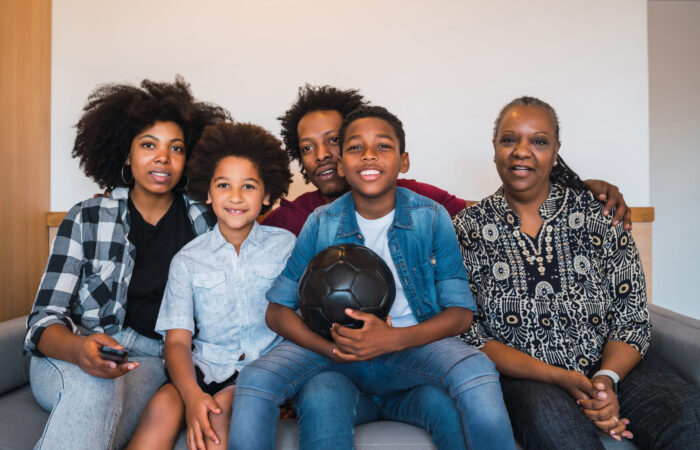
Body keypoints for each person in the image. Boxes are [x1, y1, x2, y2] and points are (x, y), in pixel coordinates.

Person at [230, 105, 516, 450]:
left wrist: (393, 339)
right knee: (255, 380)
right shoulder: (321, 222)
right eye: (355, 147)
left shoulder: (430, 216)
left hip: (411, 347)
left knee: (477, 370)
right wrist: (331, 348)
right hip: (337, 353)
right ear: (341, 164)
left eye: (382, 146)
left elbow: (460, 314)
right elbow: (277, 311)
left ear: (403, 161)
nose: (368, 155)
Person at [452, 96, 700, 449]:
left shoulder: (602, 216)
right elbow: (469, 333)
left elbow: (631, 317)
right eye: (509, 139)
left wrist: (605, 380)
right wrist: (558, 376)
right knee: (558, 432)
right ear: (494, 148)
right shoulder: (467, 229)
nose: (522, 151)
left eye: (539, 141)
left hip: (612, 366)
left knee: (688, 414)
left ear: (556, 153)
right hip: (529, 380)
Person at [24, 77, 230, 450]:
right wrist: (80, 351)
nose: (163, 157)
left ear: (189, 160)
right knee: (95, 385)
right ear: (126, 154)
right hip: (73, 350)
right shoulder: (87, 216)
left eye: (176, 148)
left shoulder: (207, 223)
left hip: (151, 361)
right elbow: (43, 319)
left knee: (104, 410)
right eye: (149, 145)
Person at [262, 84, 633, 236]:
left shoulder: (418, 200)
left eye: (334, 141)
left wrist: (577, 189)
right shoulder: (290, 220)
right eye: (307, 148)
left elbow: (494, 216)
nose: (322, 155)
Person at [128, 123, 295, 450]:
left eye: (248, 186)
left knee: (219, 413)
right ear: (208, 193)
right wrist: (192, 396)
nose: (235, 196)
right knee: (162, 407)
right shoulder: (188, 259)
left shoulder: (287, 246)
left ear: (267, 195)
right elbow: (177, 341)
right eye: (223, 185)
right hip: (204, 368)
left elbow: (300, 322)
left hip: (263, 371)